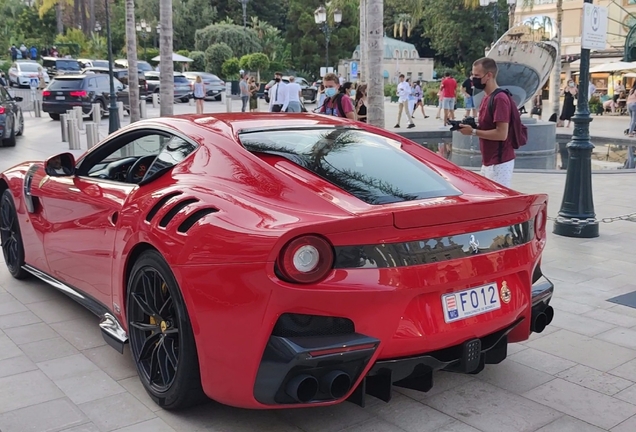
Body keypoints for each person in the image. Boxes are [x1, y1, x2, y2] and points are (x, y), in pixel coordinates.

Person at [458, 57, 516, 188]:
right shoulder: (487, 97)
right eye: (473, 75)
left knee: (497, 202)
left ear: (489, 75)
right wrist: (472, 126)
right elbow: (489, 126)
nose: (473, 79)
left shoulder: (500, 98)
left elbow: (502, 134)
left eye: (476, 75)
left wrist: (473, 131)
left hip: (499, 162)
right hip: (489, 161)